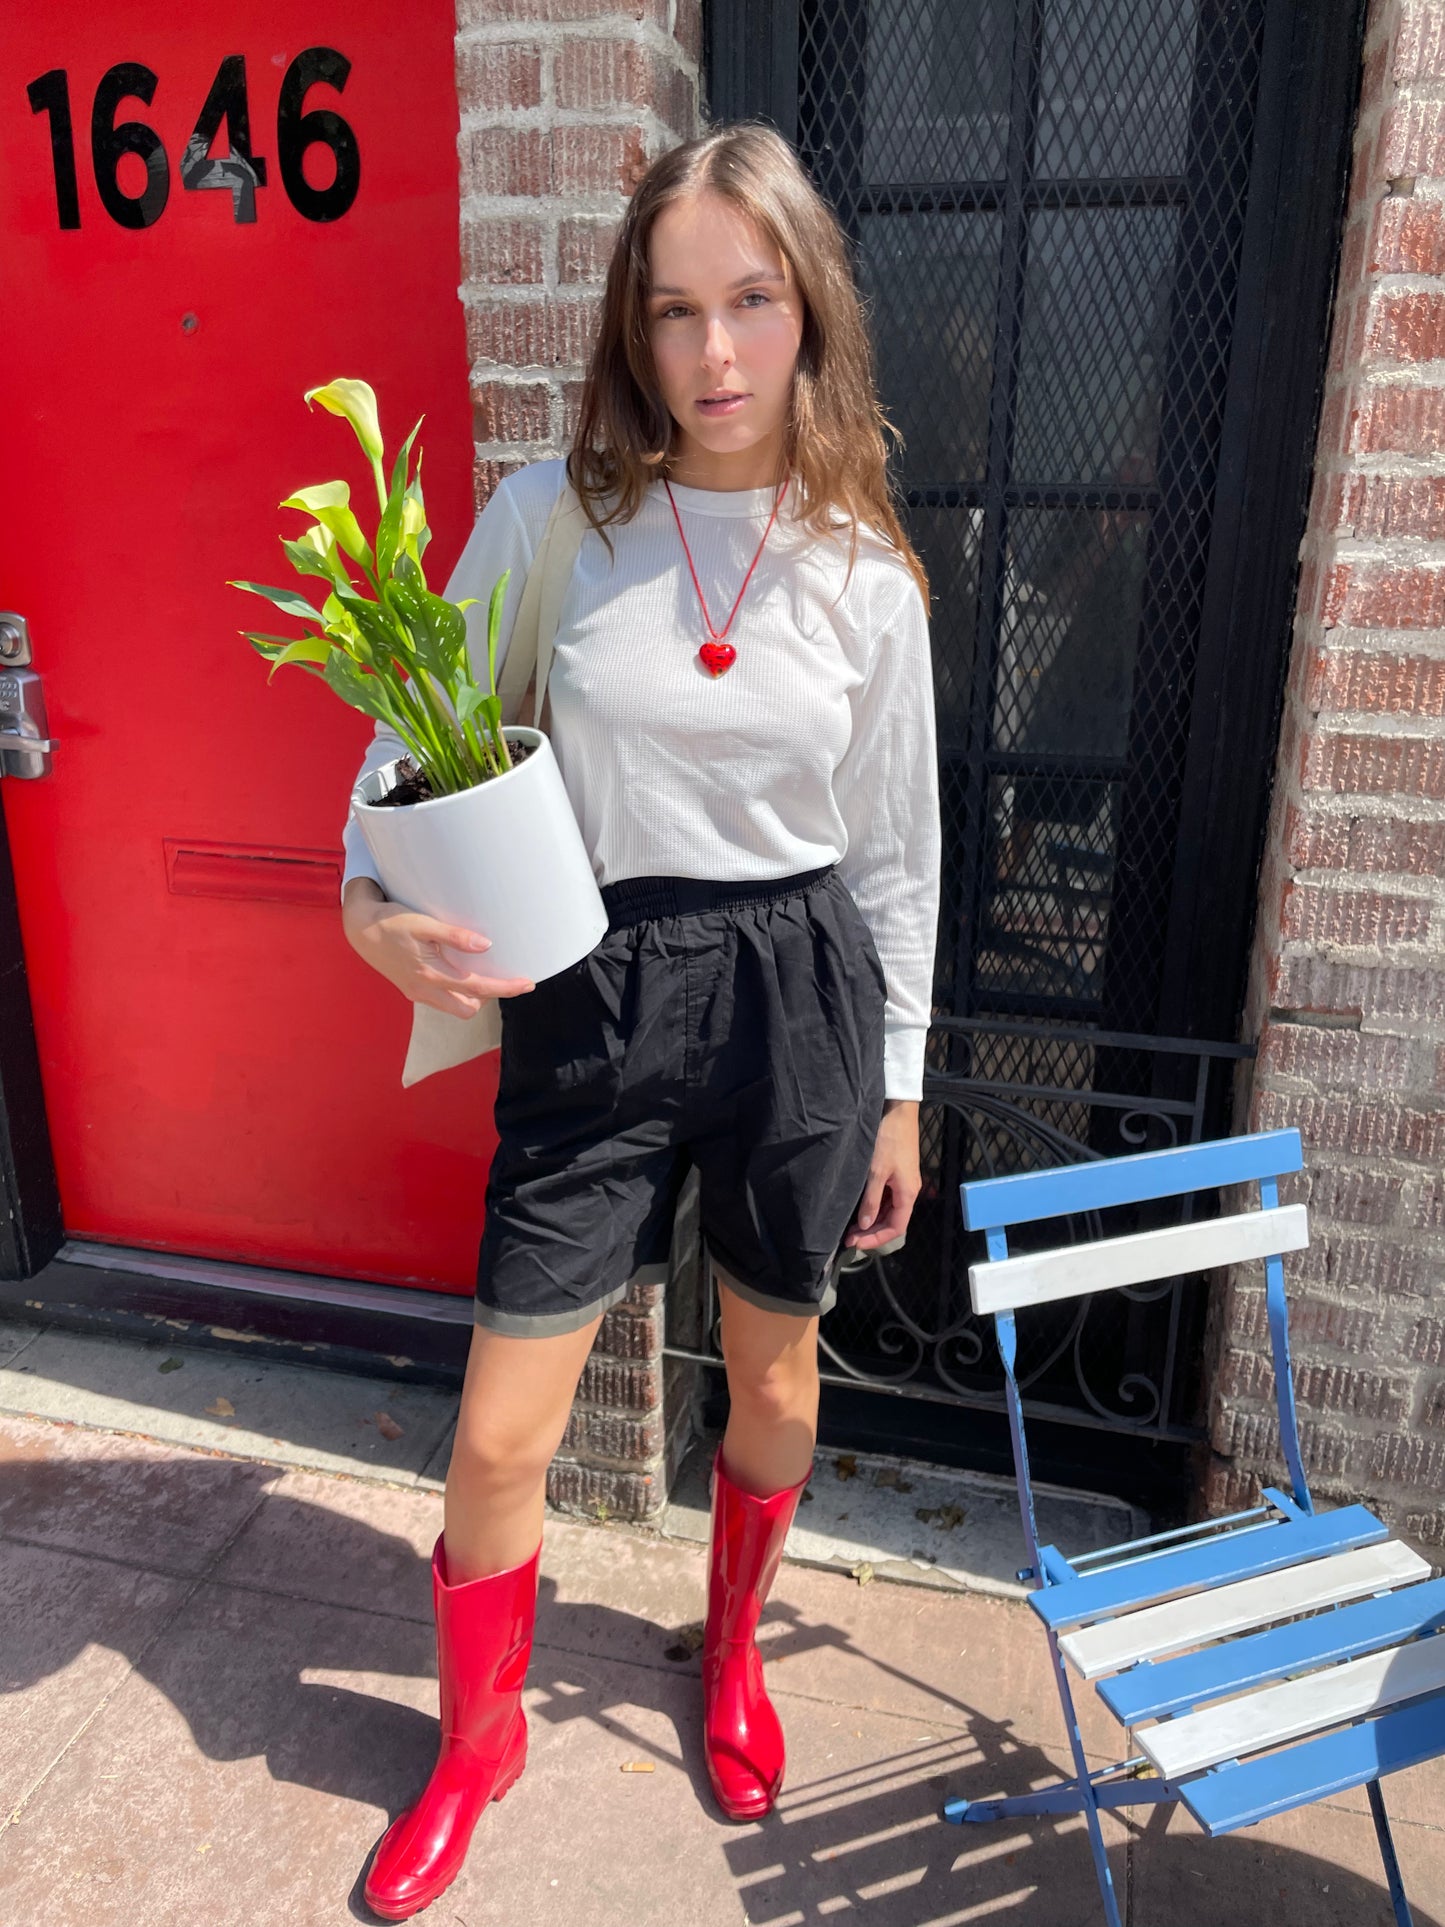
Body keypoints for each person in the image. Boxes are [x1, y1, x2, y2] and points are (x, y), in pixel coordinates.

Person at [338, 120, 941, 1922]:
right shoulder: (548, 521)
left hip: (801, 997)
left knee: (769, 1377)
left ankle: (731, 1648)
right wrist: (372, 916)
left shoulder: (862, 568)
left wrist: (899, 1090)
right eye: (674, 311)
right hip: (595, 992)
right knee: (505, 1430)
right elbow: (399, 770)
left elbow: (899, 856)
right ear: (630, 326)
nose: (716, 356)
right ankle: (477, 1737)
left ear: (807, 308)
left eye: (751, 301)